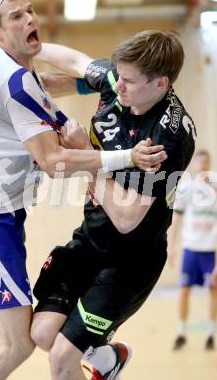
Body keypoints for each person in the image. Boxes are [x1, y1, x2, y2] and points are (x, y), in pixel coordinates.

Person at [0, 0, 165, 380]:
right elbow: (54, 162)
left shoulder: (0, 65)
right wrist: (125, 157)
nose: (28, 19)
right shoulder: (15, 86)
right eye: (15, 17)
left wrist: (97, 85)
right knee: (18, 343)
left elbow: (46, 81)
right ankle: (105, 358)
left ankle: (104, 358)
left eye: (29, 11)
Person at [30, 30, 197, 380]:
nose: (117, 86)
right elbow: (75, 61)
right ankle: (108, 359)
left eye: (129, 81)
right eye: (118, 76)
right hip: (91, 239)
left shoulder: (168, 136)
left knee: (62, 358)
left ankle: (97, 358)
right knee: (42, 333)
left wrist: (86, 156)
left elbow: (125, 217)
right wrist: (28, 47)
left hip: (131, 261)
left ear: (161, 83)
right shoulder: (120, 80)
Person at [168, 150, 217, 351]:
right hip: (191, 249)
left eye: (206, 163)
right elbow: (177, 219)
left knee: (213, 291)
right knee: (184, 291)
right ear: (195, 165)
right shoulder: (187, 189)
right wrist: (171, 245)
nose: (202, 166)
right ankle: (181, 333)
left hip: (210, 251)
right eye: (199, 163)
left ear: (209, 165)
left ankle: (211, 334)